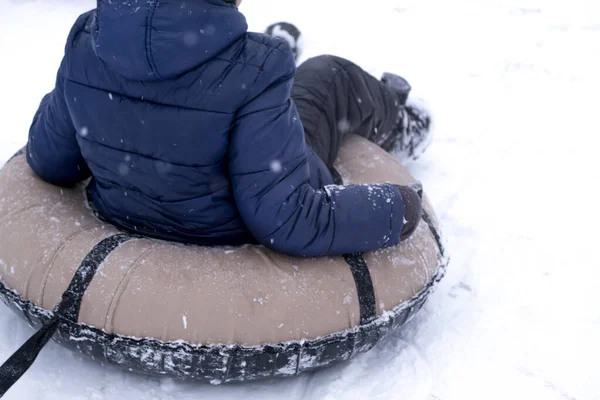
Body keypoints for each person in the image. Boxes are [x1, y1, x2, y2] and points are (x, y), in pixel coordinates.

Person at [25, 0, 431, 257]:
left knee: (252, 70)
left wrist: (92, 89)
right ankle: (403, 119)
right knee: (327, 76)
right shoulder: (257, 72)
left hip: (124, 209)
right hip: (221, 230)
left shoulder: (86, 40)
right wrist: (397, 209)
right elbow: (288, 218)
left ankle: (278, 45)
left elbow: (48, 159)